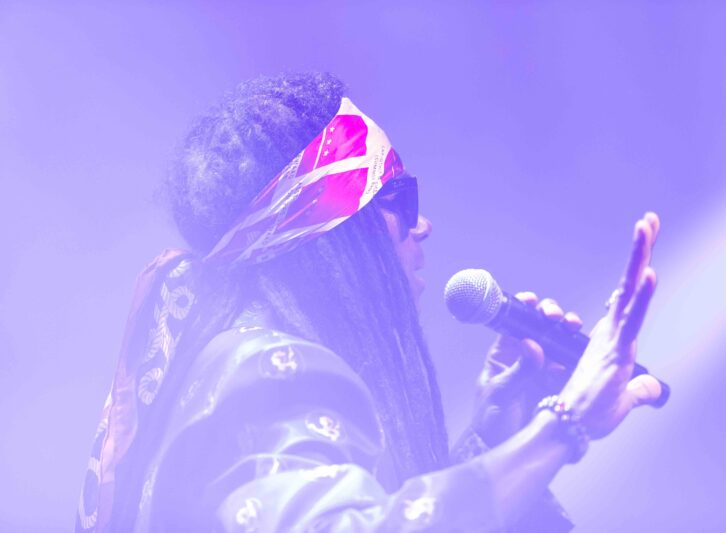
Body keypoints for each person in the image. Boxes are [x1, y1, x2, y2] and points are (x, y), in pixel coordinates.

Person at [76, 72, 663, 532]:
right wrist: (564, 427)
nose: (422, 225)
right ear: (331, 233)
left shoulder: (222, 362)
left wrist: (497, 441)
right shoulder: (272, 370)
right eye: (398, 198)